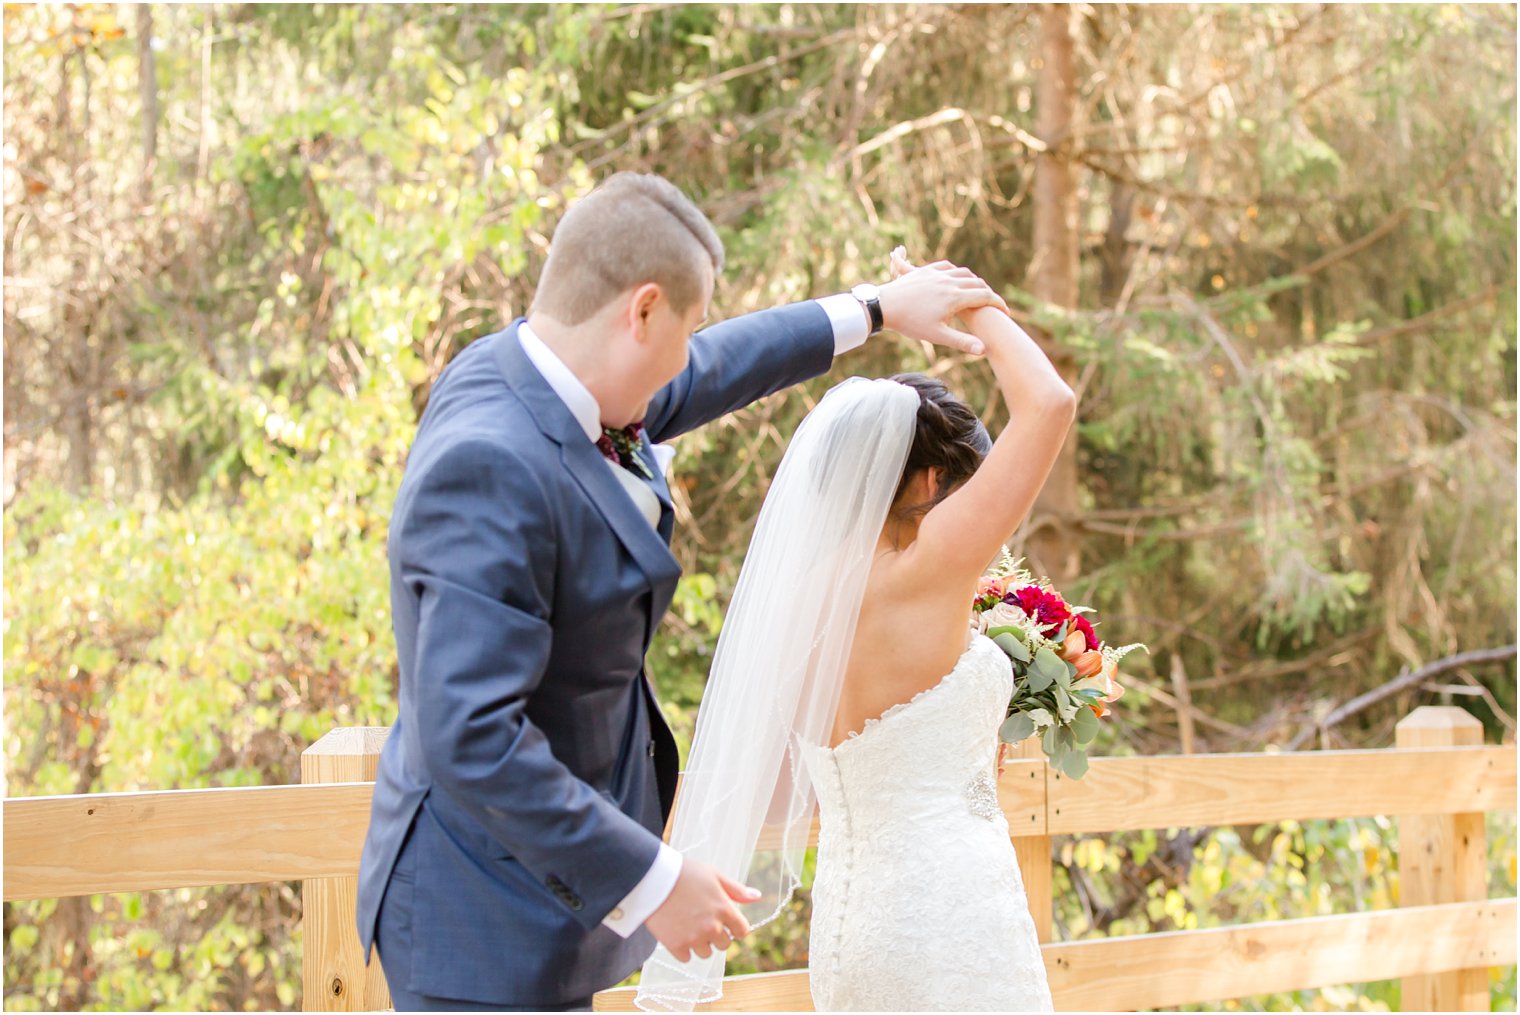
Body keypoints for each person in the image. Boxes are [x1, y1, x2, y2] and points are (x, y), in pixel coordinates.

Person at [354, 175, 1010, 1011]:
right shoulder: (489, 462)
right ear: (643, 311)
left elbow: (717, 370)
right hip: (478, 918)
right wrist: (653, 879)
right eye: (687, 328)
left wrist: (875, 309)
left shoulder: (535, 375)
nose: (687, 359)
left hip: (536, 893)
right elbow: (470, 734)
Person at [635, 248, 1074, 1012]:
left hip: (852, 926)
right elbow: (1049, 403)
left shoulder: (798, 600)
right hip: (952, 915)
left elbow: (778, 790)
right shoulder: (929, 568)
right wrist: (976, 305)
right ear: (934, 482)